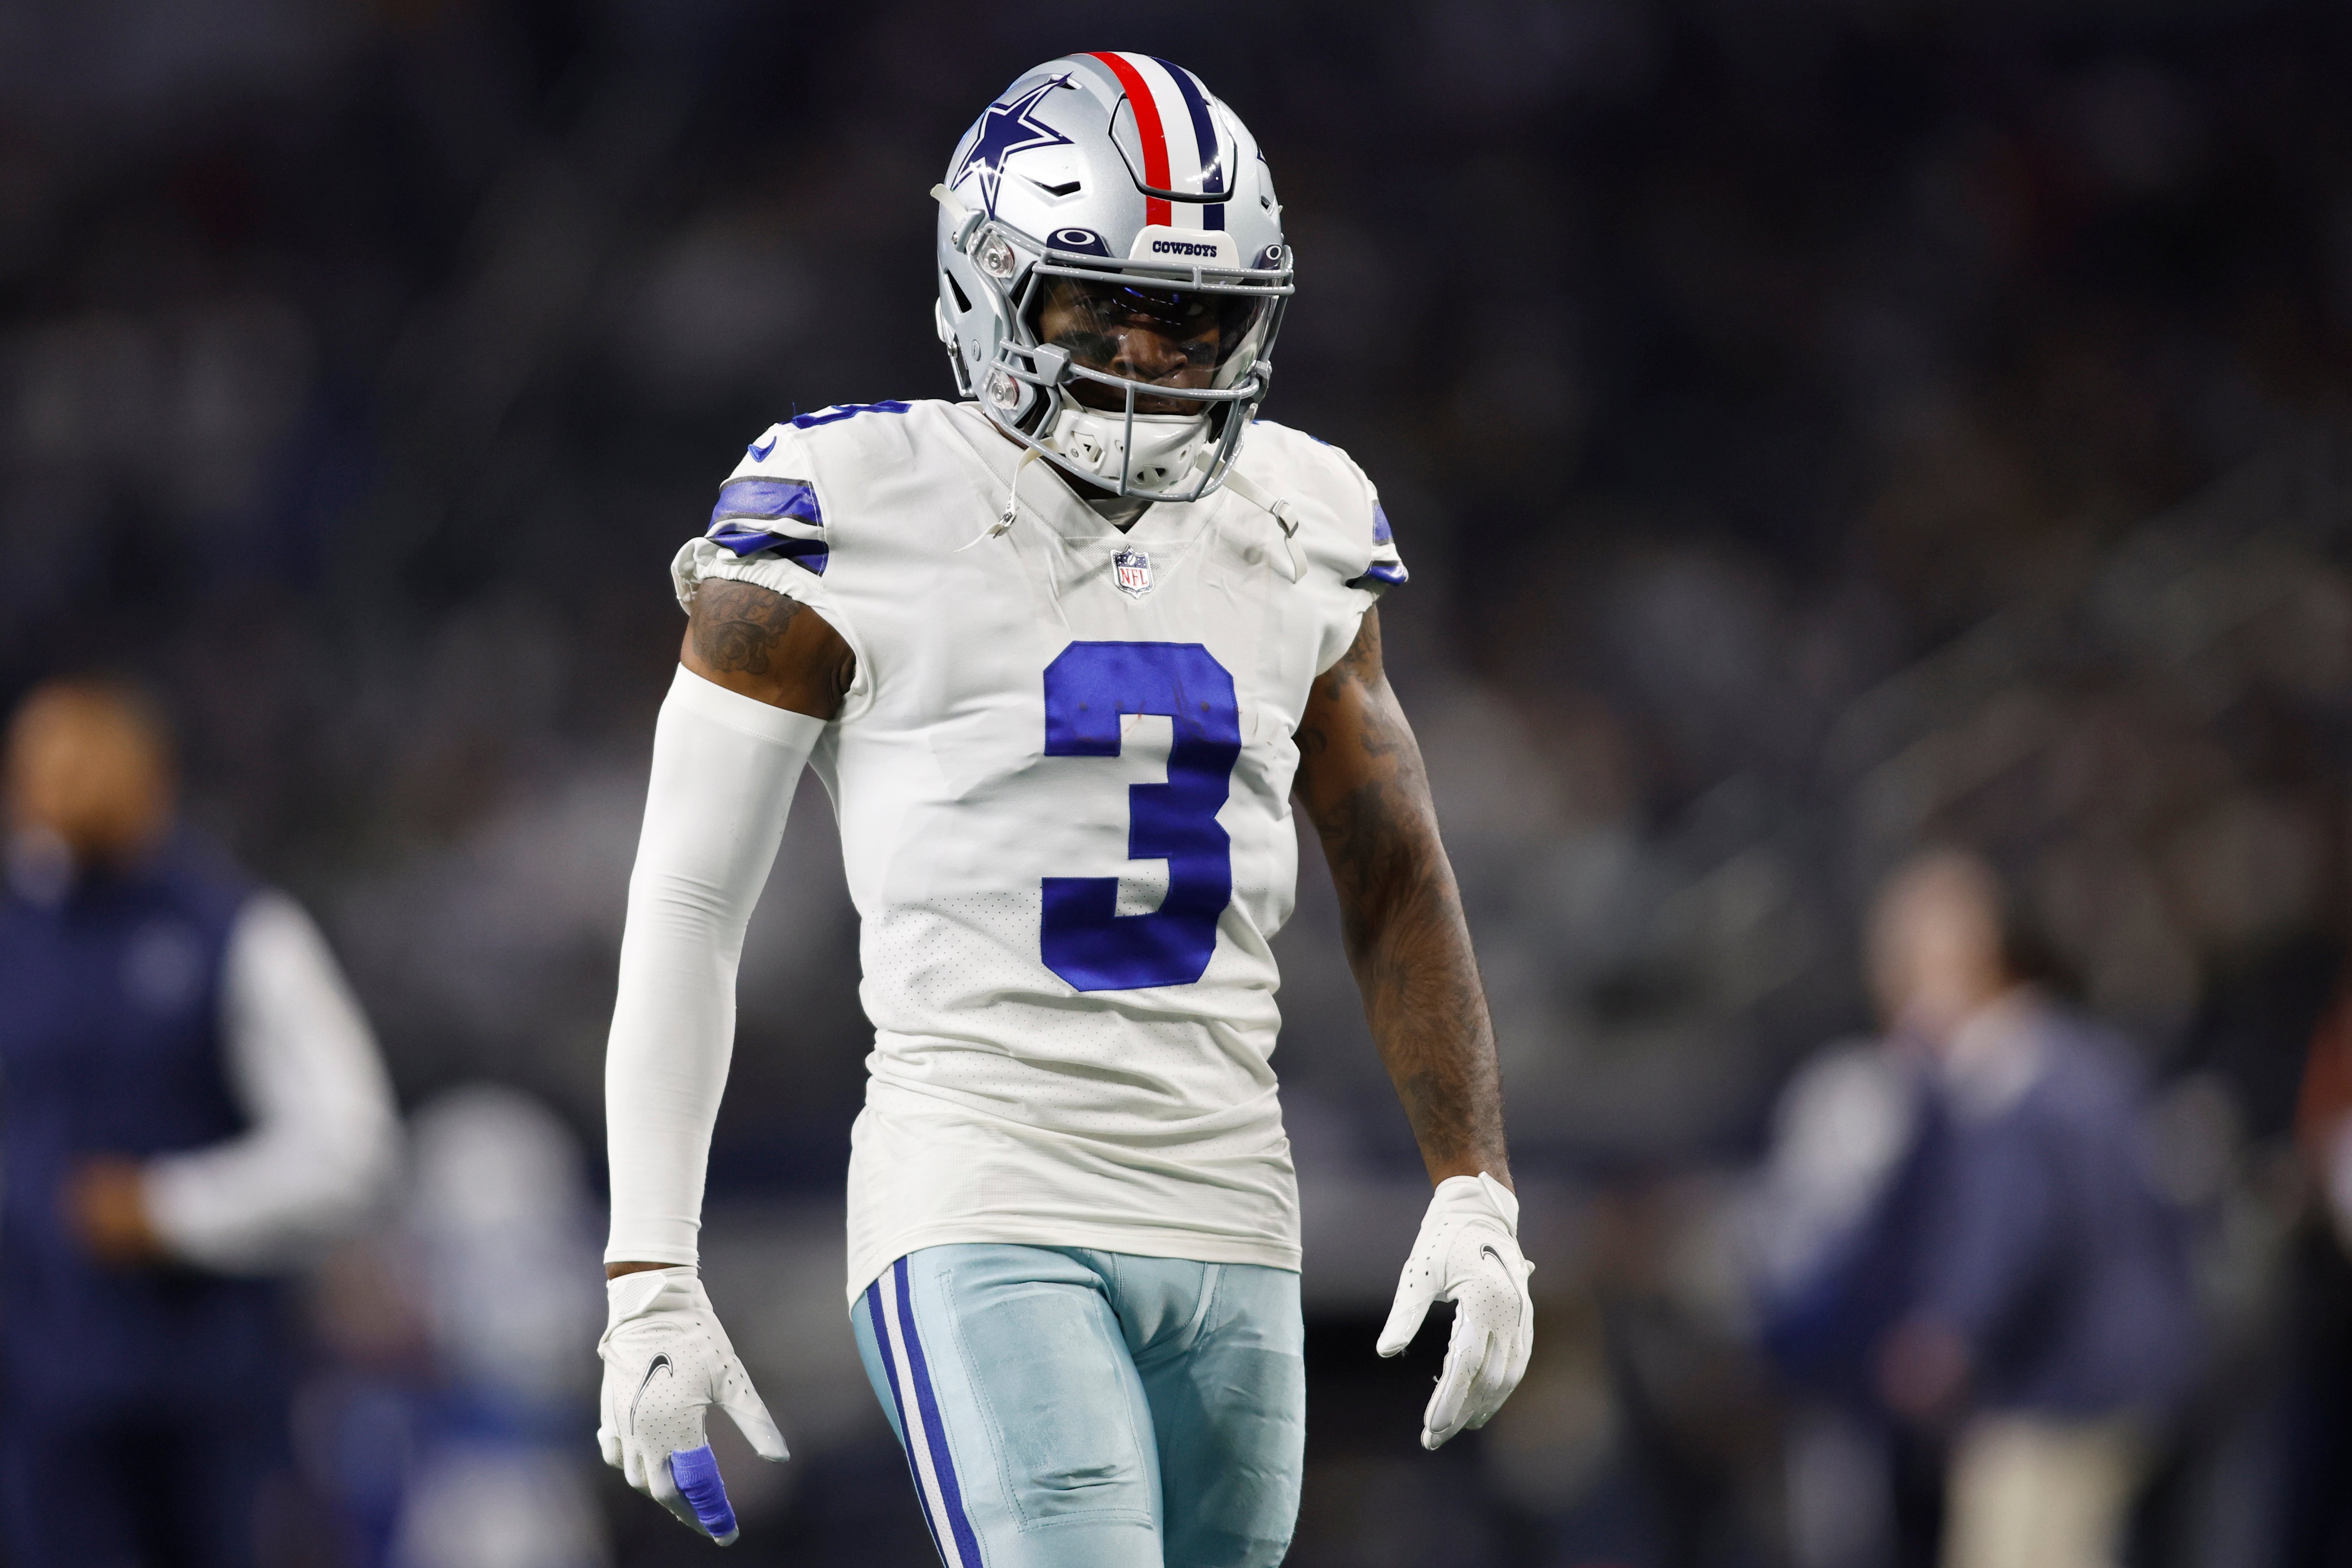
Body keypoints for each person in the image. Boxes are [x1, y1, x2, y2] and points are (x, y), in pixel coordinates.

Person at [592, 52, 1535, 1566]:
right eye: (1110, 304)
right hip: (982, 1177)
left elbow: (1394, 870)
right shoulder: (848, 501)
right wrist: (650, 1267)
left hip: (1235, 1192)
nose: (1159, 355)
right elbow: (690, 900)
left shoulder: (1299, 517)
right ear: (989, 283)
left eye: (1200, 314)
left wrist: (1474, 1188)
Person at [0, 677, 403, 1567]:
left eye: (83, 755)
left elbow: (353, 1151)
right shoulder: (17, 935)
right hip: (33, 1398)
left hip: (201, 1396)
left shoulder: (235, 929)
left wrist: (169, 1209)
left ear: (153, 775)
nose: (55, 780)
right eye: (38, 759)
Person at [1761, 849, 2197, 1568]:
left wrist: (1947, 1334)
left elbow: (2016, 1228)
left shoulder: (2014, 1077)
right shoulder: (2078, 1058)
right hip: (2112, 1385)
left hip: (2059, 1399)